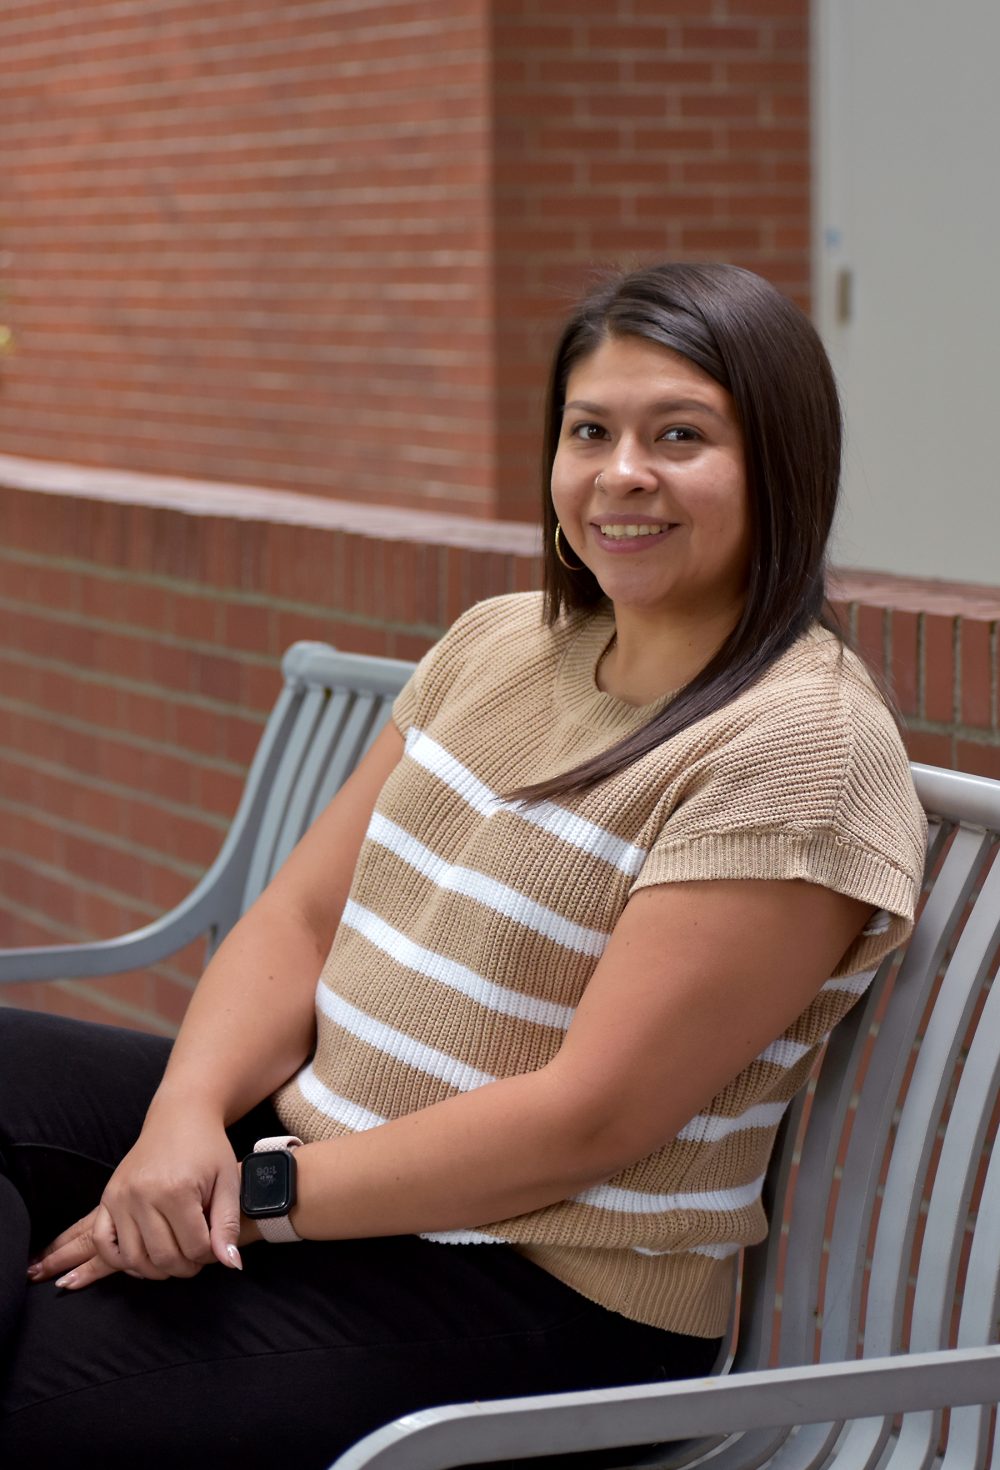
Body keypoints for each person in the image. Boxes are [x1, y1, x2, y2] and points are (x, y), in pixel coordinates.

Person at [0, 263, 926, 1467]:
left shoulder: (796, 747)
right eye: (590, 430)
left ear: (781, 467)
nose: (622, 472)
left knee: (38, 1397)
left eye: (681, 436)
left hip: (541, 1288)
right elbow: (296, 916)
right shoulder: (503, 643)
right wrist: (181, 1125)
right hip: (323, 1160)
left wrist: (251, 1198)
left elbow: (585, 1120)